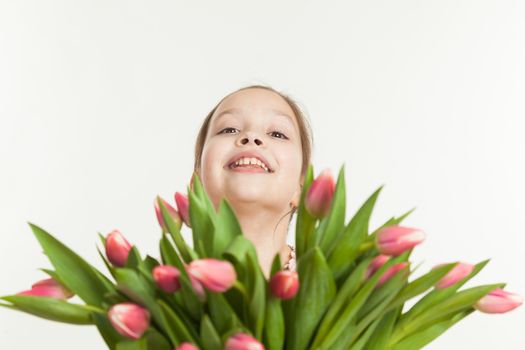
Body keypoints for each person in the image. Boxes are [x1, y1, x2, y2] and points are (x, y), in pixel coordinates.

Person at [192, 84, 314, 279]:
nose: (251, 137)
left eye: (277, 134)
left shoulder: (335, 290)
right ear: (195, 182)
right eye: (229, 129)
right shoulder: (165, 289)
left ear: (303, 187)